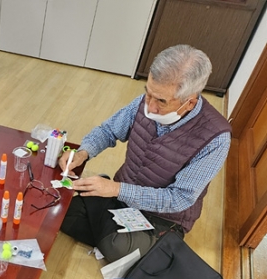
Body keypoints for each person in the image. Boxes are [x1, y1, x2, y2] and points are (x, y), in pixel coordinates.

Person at [59, 45, 232, 263]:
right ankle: (113, 229)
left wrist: (115, 189)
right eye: (148, 93)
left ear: (190, 103)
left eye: (161, 101)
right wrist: (83, 152)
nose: (150, 106)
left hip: (162, 216)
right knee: (62, 213)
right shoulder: (145, 102)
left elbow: (179, 198)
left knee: (118, 247)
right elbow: (108, 130)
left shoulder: (216, 138)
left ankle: (112, 225)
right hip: (121, 195)